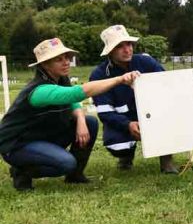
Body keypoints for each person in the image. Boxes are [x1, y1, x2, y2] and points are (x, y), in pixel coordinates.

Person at [0, 38, 140, 191]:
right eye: (58, 60)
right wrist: (120, 79)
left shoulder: (60, 79)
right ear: (45, 65)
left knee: (90, 122)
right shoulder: (39, 91)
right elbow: (77, 93)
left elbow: (72, 102)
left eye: (67, 57)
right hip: (17, 145)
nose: (66, 62)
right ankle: (21, 171)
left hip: (40, 136)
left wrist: (80, 119)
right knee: (66, 163)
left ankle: (75, 176)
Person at [90, 25, 178, 173]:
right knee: (118, 146)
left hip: (154, 113)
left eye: (129, 44)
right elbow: (105, 113)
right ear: (110, 51)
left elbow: (167, 85)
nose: (127, 49)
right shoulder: (98, 75)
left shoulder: (146, 62)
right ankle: (125, 156)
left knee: (171, 117)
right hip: (124, 119)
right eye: (120, 46)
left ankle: (166, 159)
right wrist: (127, 124)